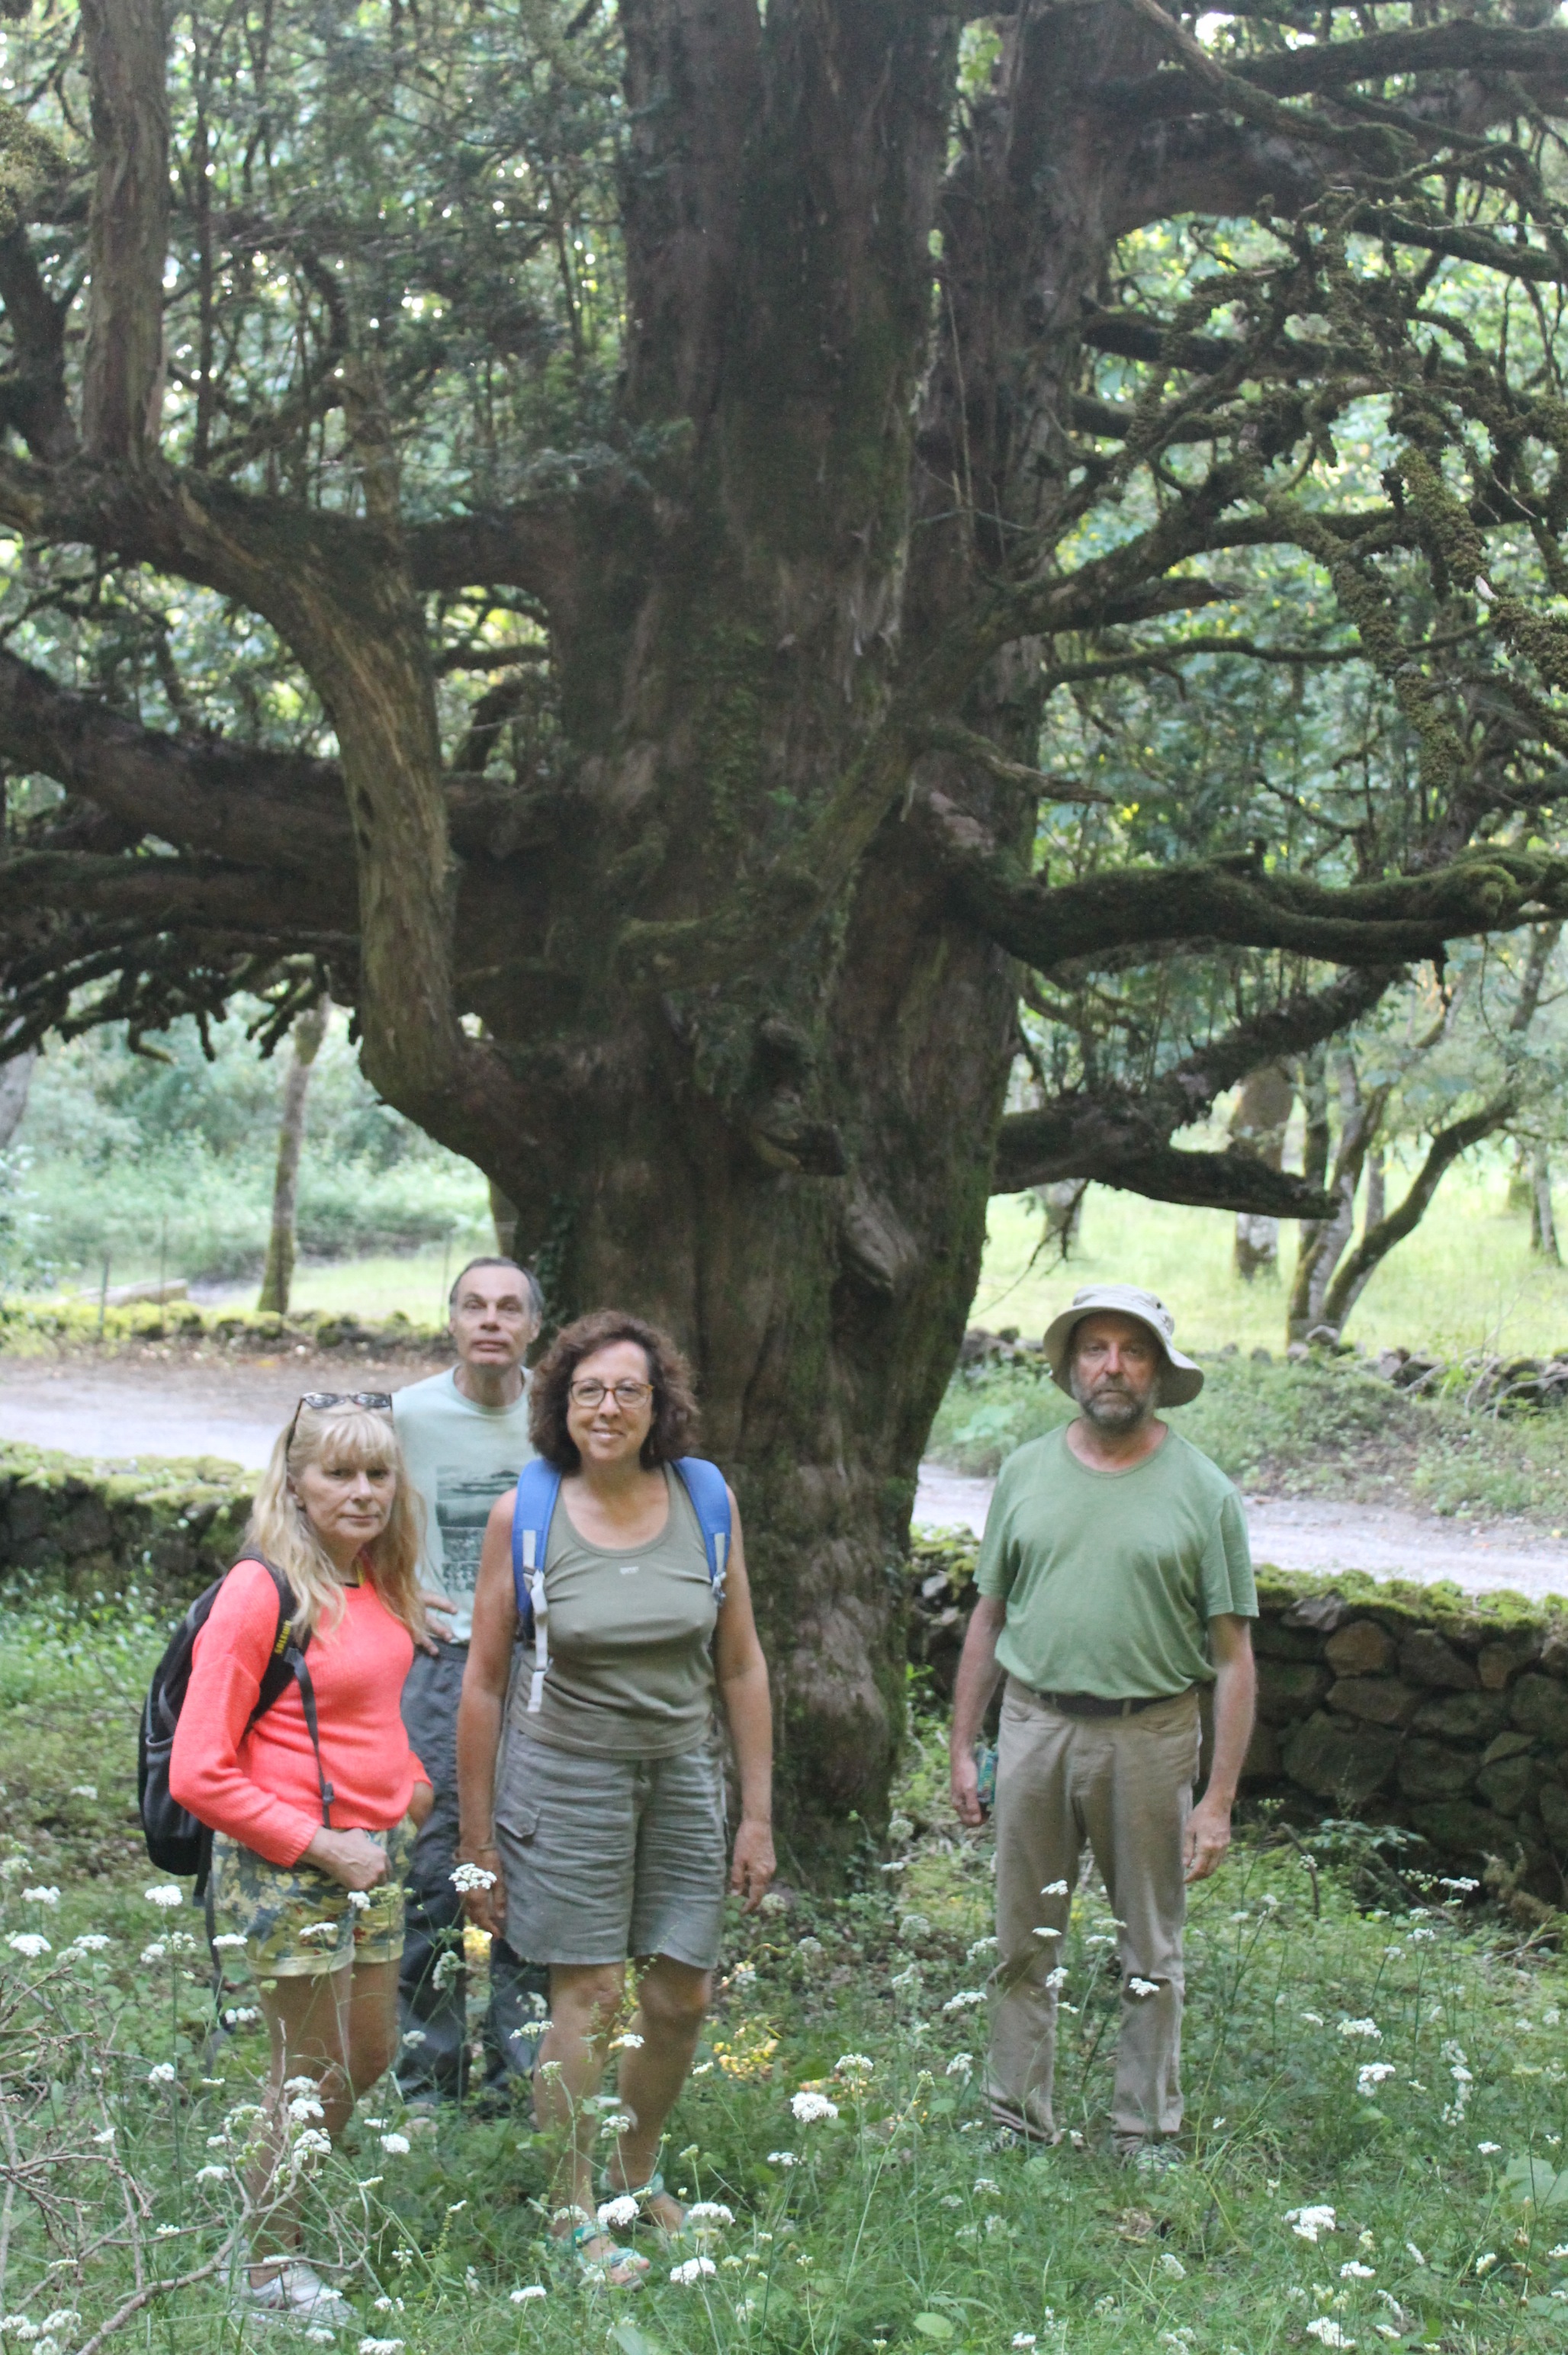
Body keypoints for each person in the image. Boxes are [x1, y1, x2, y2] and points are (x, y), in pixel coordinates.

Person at [455, 1309, 775, 2286]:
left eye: (627, 1389)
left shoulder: (705, 1498)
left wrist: (757, 1813)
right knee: (589, 1995)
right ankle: (570, 2212)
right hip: (565, 1776)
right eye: (587, 1390)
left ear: (657, 1402)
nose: (606, 1408)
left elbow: (741, 1663)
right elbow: (483, 1682)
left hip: (681, 1772)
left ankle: (634, 2178)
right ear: (560, 1404)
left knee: (681, 1992)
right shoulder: (525, 1512)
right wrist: (477, 1840)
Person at [949, 1283, 1257, 2167]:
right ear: (1071, 1366)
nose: (1112, 1367)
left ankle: (1144, 2132)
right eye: (1095, 1348)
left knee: (1149, 1944)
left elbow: (1234, 1659)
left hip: (1148, 1735)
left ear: (1158, 1369)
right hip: (1034, 1726)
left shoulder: (1203, 1492)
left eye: (1133, 1350)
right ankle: (1014, 2122)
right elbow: (988, 1618)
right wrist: (964, 1746)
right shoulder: (1025, 1472)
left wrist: (1217, 1800)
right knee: (1022, 1938)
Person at [169, 1397, 433, 2331]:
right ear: (295, 1482)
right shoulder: (260, 1591)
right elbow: (198, 1768)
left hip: (369, 1855)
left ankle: (286, 2214)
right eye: (338, 1473)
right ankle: (266, 2271)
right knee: (308, 2068)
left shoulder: (373, 1576)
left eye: (378, 1473)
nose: (362, 1492)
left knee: (368, 2054)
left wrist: (410, 1778)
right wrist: (320, 1844)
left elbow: (365, 1709)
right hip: (293, 1862)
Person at [391, 1255, 550, 2103]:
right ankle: (429, 2080)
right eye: (475, 1306)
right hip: (438, 1663)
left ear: (533, 1327)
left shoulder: (560, 1416)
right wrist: (386, 1592)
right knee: (432, 1870)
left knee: (532, 1857)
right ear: (451, 1320)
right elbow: (334, 1506)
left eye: (509, 1308)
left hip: (541, 1665)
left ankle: (522, 2079)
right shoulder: (406, 1415)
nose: (491, 1320)